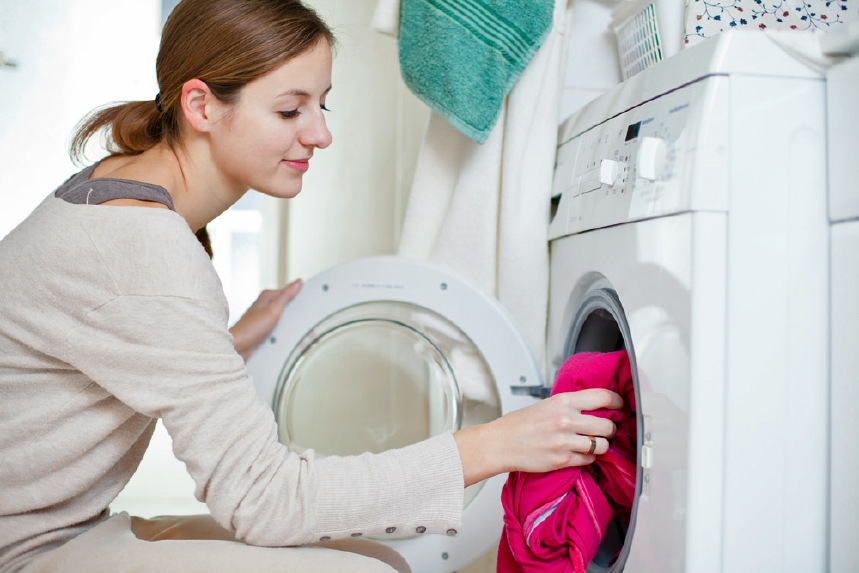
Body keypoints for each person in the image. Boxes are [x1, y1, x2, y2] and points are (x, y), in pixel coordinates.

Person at [0, 1, 623, 572]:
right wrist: (494, 444)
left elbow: (100, 339)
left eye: (322, 105)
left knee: (382, 557)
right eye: (289, 110)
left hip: (59, 529)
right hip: (27, 549)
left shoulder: (121, 189)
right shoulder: (145, 247)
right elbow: (267, 503)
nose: (320, 133)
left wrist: (221, 340)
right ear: (201, 106)